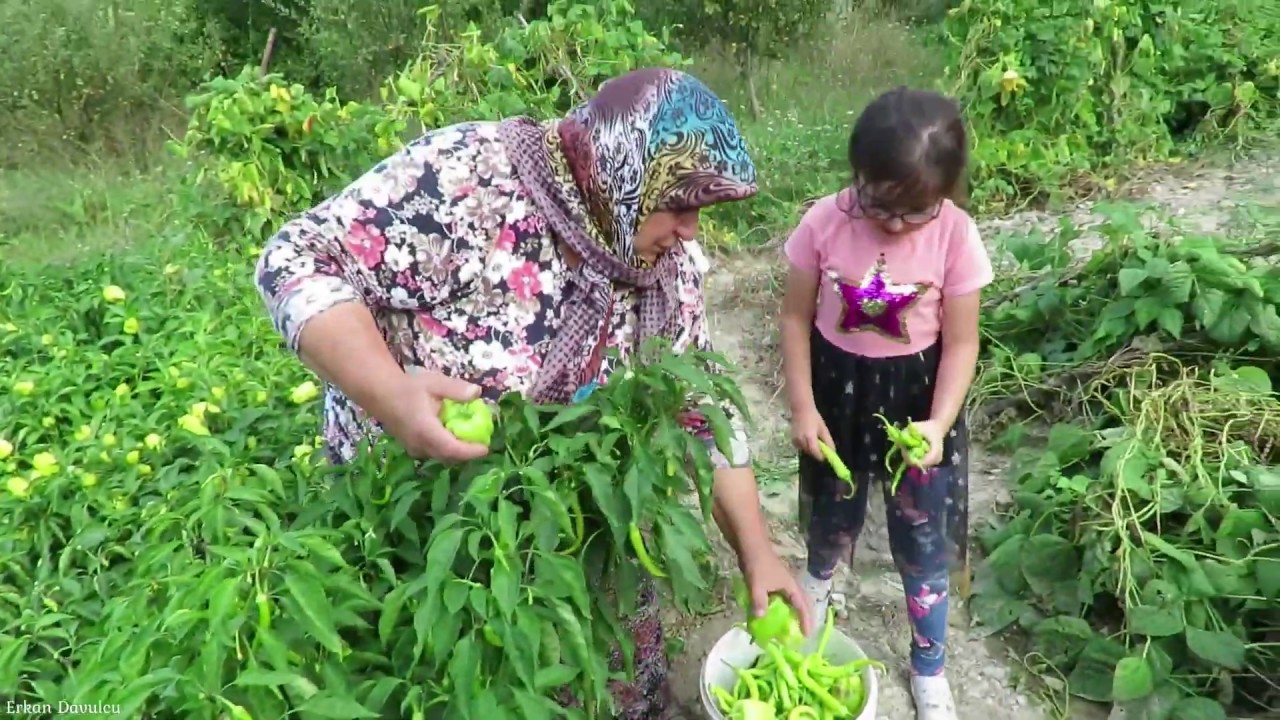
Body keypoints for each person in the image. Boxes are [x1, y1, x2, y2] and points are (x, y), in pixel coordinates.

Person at [254, 67, 812, 719]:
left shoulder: (661, 267)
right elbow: (294, 261)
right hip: (437, 520)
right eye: (680, 206)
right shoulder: (470, 183)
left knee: (612, 673)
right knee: (461, 677)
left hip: (576, 517)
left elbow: (702, 410)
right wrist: (387, 392)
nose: (691, 231)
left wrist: (758, 556)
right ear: (620, 177)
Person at [778, 86, 992, 720]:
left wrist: (941, 421)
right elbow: (793, 319)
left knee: (923, 540)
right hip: (836, 397)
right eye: (880, 205)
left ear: (946, 195)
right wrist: (801, 407)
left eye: (917, 210)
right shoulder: (822, 222)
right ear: (858, 173)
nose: (896, 224)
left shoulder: (955, 235)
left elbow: (962, 342)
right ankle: (815, 607)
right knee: (829, 520)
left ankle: (929, 667)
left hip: (919, 404)